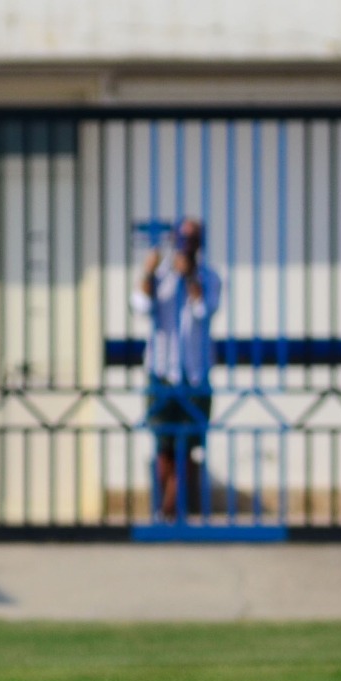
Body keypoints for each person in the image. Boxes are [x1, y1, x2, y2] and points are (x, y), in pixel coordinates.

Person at [131, 219, 220, 522]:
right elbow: (140, 306)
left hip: (195, 376)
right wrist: (148, 271)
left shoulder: (210, 277)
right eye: (183, 239)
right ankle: (166, 507)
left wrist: (190, 277)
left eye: (193, 240)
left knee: (190, 446)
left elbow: (204, 310)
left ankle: (172, 509)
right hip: (161, 373)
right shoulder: (160, 275)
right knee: (164, 446)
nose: (187, 246)